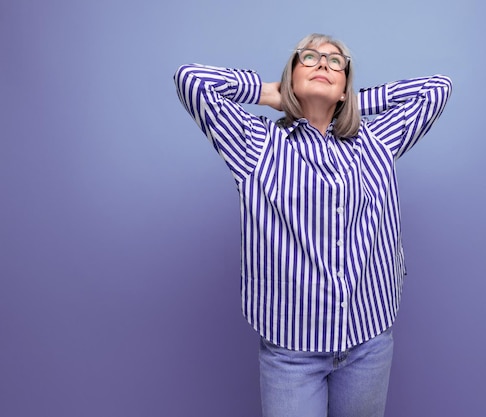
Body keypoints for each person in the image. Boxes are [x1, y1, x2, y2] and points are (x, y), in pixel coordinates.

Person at [174, 33, 452, 417]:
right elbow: (190, 79)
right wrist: (271, 93)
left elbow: (437, 89)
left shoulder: (376, 141)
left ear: (345, 85)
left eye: (336, 61)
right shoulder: (256, 146)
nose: (323, 63)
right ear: (290, 74)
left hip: (367, 341)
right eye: (309, 57)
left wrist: (349, 102)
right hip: (291, 352)